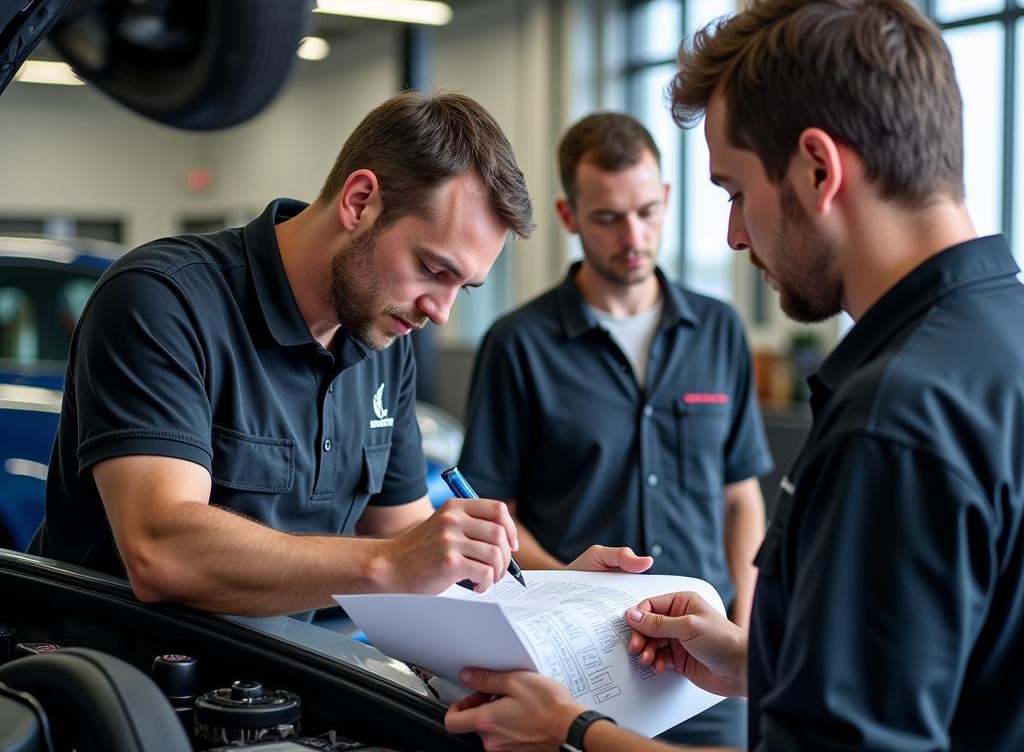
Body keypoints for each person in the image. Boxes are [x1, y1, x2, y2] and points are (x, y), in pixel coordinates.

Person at [444, 0, 1024, 752]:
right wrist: (758, 657)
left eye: (732, 191)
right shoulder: (998, 348)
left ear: (816, 168)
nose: (727, 234)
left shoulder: (898, 415)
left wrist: (580, 731)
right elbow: (966, 678)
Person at [30, 91, 645, 617]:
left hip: (296, 691)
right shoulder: (163, 300)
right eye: (432, 269)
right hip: (118, 698)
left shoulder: (383, 341)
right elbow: (160, 550)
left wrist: (552, 591)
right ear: (359, 202)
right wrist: (387, 564)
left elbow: (402, 533)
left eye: (464, 287)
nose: (441, 311)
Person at [458, 111, 772, 747]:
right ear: (570, 217)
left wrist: (748, 629)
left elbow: (741, 497)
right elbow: (496, 517)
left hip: (708, 666)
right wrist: (571, 588)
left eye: (646, 212)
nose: (634, 235)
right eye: (607, 218)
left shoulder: (719, 331)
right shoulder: (518, 345)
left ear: (667, 200)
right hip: (579, 667)